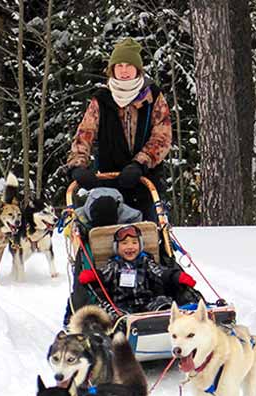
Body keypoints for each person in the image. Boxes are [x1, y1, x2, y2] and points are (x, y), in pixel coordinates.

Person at [66, 38, 172, 224]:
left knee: (151, 234)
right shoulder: (102, 100)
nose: (124, 71)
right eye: (119, 65)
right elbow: (84, 134)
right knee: (102, 235)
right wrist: (78, 165)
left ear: (137, 69)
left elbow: (162, 136)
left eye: (129, 65)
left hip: (144, 180)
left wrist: (140, 163)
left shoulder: (152, 97)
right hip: (110, 181)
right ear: (112, 69)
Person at [77, 225, 196, 315]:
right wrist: (92, 275)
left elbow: (159, 272)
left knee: (164, 302)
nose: (130, 247)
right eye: (124, 243)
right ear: (117, 248)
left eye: (134, 242)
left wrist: (176, 276)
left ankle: (168, 319)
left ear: (140, 246)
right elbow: (103, 275)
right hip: (123, 305)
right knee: (109, 311)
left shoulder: (146, 261)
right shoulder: (114, 264)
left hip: (149, 302)